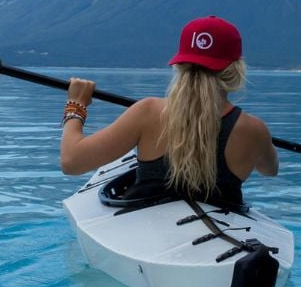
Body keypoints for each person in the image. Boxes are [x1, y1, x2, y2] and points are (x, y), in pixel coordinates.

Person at [59, 16, 278, 210]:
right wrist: (260, 143)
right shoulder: (254, 130)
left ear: (179, 64)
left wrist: (76, 105)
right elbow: (270, 170)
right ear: (236, 70)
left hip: (146, 226)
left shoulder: (148, 112)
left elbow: (72, 162)